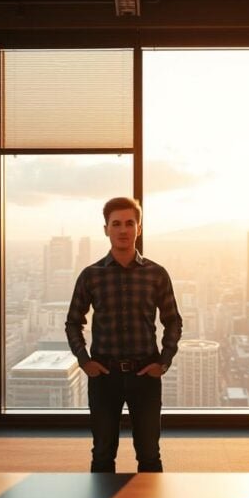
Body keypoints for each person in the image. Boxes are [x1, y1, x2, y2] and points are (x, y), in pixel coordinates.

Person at [65, 196, 183, 473]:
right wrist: (84, 361)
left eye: (130, 223)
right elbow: (73, 322)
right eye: (116, 224)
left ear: (138, 229)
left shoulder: (156, 274)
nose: (123, 230)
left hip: (146, 375)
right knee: (102, 454)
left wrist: (163, 362)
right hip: (104, 377)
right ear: (106, 229)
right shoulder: (91, 275)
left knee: (150, 454)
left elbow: (173, 321)